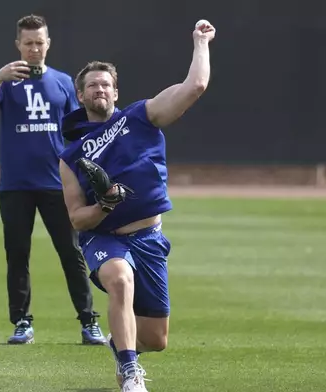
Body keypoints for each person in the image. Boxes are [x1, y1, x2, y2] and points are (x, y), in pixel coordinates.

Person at [58, 20, 216, 392]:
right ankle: (131, 373)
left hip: (149, 237)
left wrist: (200, 42)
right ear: (80, 96)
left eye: (106, 84)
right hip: (105, 237)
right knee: (120, 279)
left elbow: (195, 86)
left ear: (116, 93)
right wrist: (106, 205)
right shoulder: (70, 156)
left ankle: (121, 346)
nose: (100, 89)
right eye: (92, 85)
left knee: (156, 338)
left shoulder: (141, 116)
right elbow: (78, 218)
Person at [0, 14, 105, 345]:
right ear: (18, 45)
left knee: (71, 253)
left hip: (58, 183)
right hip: (16, 184)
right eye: (28, 43)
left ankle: (89, 321)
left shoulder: (61, 82)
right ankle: (22, 322)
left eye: (39, 42)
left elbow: (78, 129)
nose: (34, 49)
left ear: (48, 43)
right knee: (17, 254)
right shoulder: (6, 82)